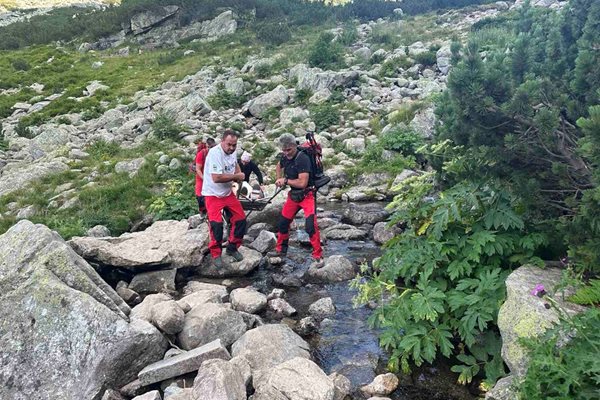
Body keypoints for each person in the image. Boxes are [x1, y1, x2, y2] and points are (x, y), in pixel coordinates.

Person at [268, 133, 323, 267]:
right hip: (294, 195)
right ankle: (281, 250)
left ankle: (318, 255)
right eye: (284, 150)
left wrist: (285, 180)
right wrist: (278, 178)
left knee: (310, 226)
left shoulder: (302, 158)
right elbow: (278, 165)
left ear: (295, 146)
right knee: (282, 223)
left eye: (289, 150)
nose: (286, 153)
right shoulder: (285, 157)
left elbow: (302, 183)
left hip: (307, 194)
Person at [202, 129, 247, 267]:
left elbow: (235, 164)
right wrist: (236, 177)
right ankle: (216, 254)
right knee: (216, 225)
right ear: (222, 141)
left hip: (227, 193)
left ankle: (232, 247)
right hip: (212, 194)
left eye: (234, 145)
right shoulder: (215, 153)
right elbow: (216, 178)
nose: (232, 148)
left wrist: (239, 173)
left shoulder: (232, 152)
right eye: (229, 145)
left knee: (241, 219)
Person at [194, 138, 216, 215]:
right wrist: (205, 178)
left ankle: (211, 211)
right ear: (207, 146)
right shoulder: (201, 154)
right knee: (200, 196)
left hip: (212, 177)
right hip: (201, 178)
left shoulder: (216, 154)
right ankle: (203, 211)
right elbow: (198, 169)